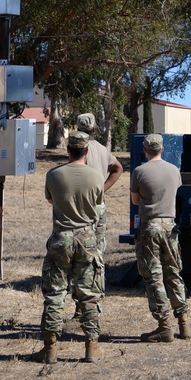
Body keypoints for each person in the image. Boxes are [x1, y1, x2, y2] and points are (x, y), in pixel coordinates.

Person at [38, 130, 105, 364]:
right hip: (87, 238)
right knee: (88, 294)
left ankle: (50, 349)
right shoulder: (97, 177)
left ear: (68, 150)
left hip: (61, 237)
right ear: (86, 151)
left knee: (55, 294)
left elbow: (50, 200)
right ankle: (91, 347)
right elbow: (98, 206)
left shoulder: (53, 174)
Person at [130, 133, 189, 343]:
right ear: (162, 149)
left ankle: (164, 326)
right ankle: (183, 323)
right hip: (170, 226)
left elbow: (135, 200)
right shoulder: (174, 170)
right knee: (174, 273)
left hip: (150, 227)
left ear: (145, 150)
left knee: (154, 277)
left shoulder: (139, 171)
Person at [75, 112, 123, 262]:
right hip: (99, 204)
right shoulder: (103, 149)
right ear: (94, 129)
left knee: (81, 246)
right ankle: (98, 279)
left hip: (82, 204)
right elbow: (118, 168)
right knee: (98, 246)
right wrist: (102, 188)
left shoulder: (79, 150)